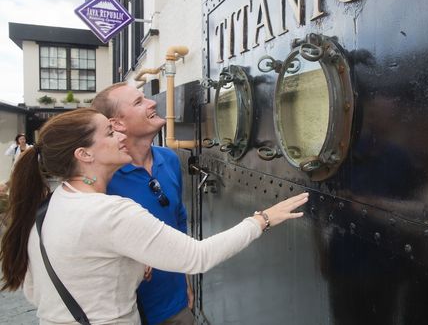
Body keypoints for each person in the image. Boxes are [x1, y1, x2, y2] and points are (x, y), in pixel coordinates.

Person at [0, 108, 308, 324]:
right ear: (84, 155)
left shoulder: (51, 205)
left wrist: (130, 267)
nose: (120, 134)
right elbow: (197, 257)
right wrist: (262, 220)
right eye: (109, 132)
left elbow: (36, 288)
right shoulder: (108, 212)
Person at [91, 83, 195, 324]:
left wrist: (186, 282)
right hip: (128, 313)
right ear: (117, 124)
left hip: (176, 304)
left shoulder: (169, 158)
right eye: (139, 102)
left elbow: (178, 221)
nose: (153, 103)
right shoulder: (103, 177)